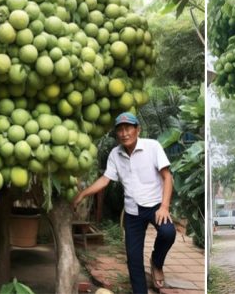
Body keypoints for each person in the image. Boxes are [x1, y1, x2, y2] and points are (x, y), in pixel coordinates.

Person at [73, 112, 176, 293]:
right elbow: (105, 180)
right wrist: (82, 194)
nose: (124, 133)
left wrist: (165, 206)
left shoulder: (153, 147)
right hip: (132, 211)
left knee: (168, 233)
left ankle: (156, 263)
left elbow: (168, 177)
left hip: (155, 206)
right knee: (133, 258)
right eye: (120, 130)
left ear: (138, 129)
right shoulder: (115, 154)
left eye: (128, 128)